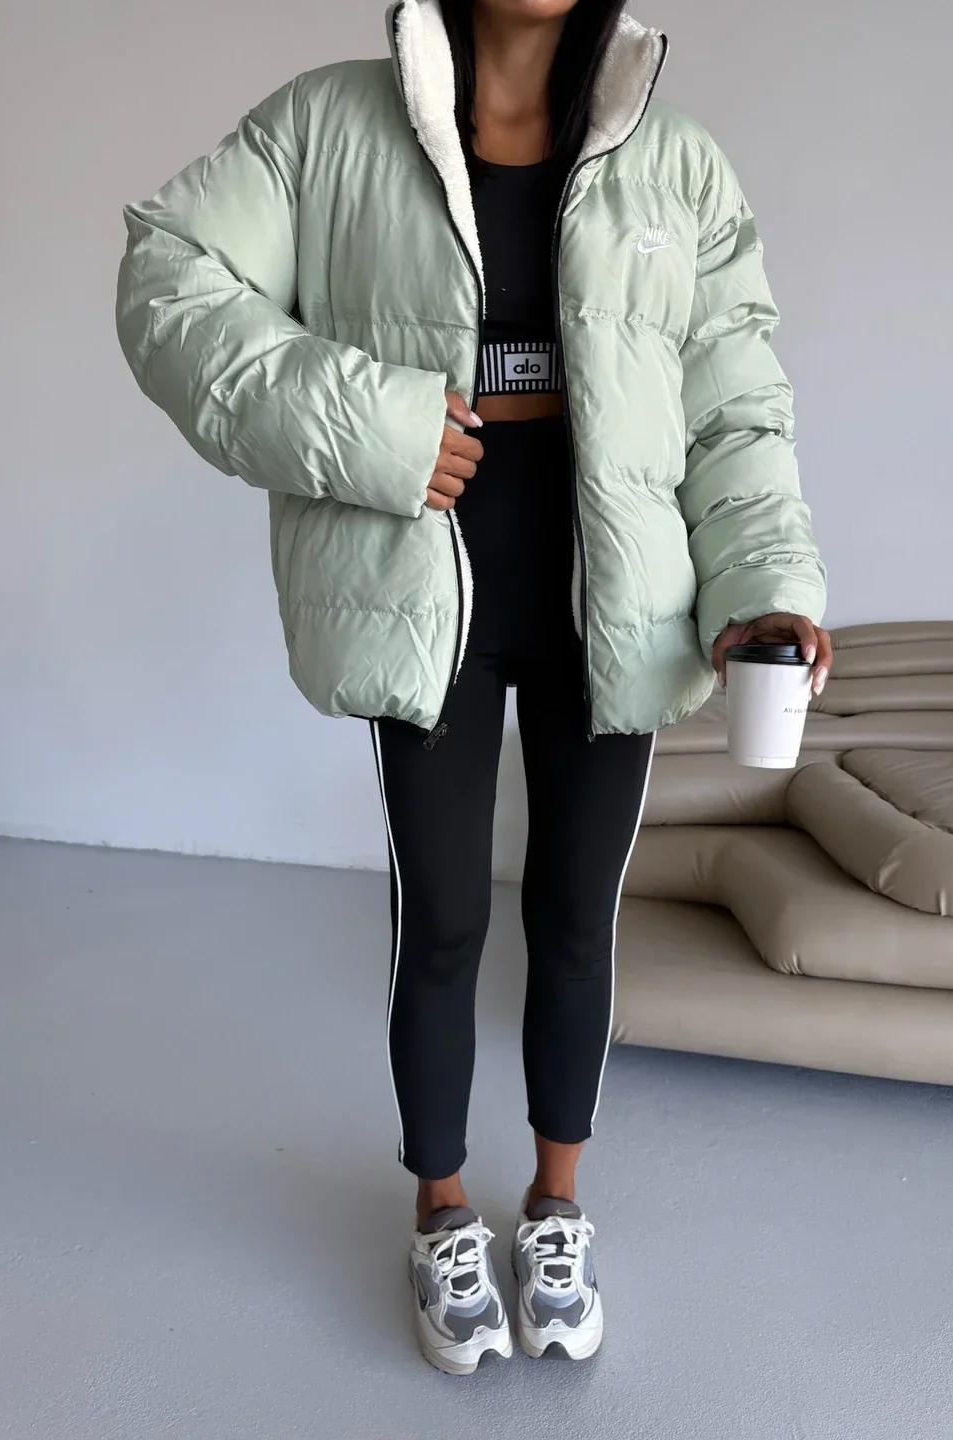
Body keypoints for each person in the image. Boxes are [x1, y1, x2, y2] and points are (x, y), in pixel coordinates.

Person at [116, 0, 831, 1374]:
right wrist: (375, 426)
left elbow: (734, 399)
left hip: (614, 598)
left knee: (575, 915)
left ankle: (557, 1207)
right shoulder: (328, 127)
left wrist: (768, 582)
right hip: (419, 585)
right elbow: (167, 277)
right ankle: (442, 1210)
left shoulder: (676, 161)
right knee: (441, 917)